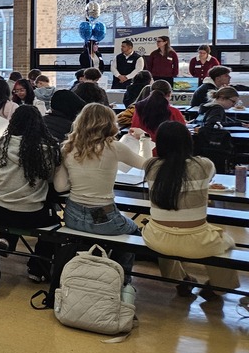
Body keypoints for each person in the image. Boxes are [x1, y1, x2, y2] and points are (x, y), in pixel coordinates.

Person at [139, 121, 237, 300]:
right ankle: (219, 288)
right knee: (226, 242)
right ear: (188, 140)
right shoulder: (204, 165)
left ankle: (180, 280)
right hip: (198, 241)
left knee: (163, 231)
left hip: (157, 238)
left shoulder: (150, 166)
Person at [0, 105, 61, 281]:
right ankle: (38, 269)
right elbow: (50, 179)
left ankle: (6, 239)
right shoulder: (46, 150)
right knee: (54, 223)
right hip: (31, 214)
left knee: (12, 205)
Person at [54, 103, 149, 241]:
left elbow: (60, 187)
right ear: (109, 123)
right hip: (103, 215)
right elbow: (146, 164)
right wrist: (144, 138)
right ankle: (118, 263)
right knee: (133, 232)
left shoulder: (67, 147)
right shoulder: (114, 147)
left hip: (71, 215)